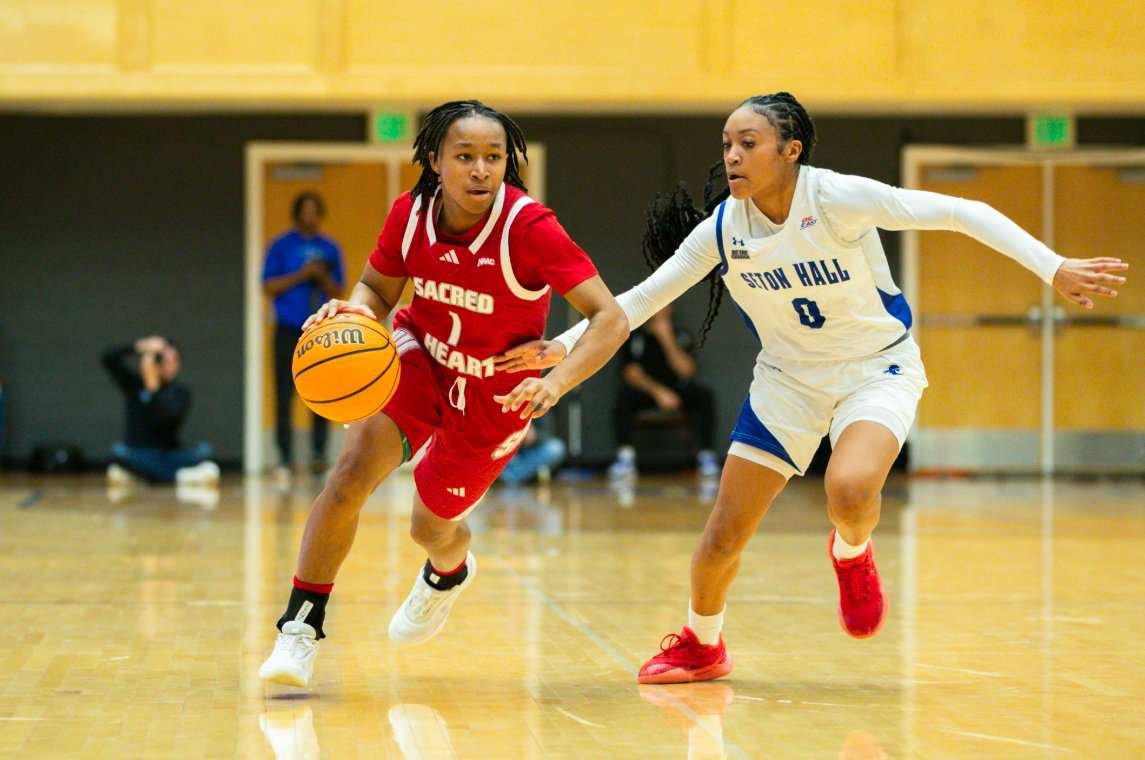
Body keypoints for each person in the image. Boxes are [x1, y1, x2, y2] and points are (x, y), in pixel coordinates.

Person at [495, 92, 1127, 684]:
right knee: (721, 538)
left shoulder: (836, 199)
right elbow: (639, 298)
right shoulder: (722, 229)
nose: (733, 157)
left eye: (748, 143)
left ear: (790, 149)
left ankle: (852, 552)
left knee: (849, 490)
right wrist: (566, 342)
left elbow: (961, 211)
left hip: (875, 368)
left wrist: (1055, 267)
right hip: (787, 382)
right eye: (726, 145)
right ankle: (703, 642)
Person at [259, 100, 628, 687]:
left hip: (495, 391)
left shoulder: (530, 228)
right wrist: (353, 314)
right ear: (435, 161)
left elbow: (609, 317)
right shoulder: (411, 213)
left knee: (429, 528)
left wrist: (556, 379)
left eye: (493, 157)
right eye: (465, 156)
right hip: (419, 356)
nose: (482, 169)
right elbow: (378, 288)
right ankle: (299, 629)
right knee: (352, 472)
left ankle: (448, 569)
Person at [262, 191, 345, 478]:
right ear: (297, 213)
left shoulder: (330, 248)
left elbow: (339, 290)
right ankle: (285, 458)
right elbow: (268, 285)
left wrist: (320, 276)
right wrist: (301, 274)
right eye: (304, 209)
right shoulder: (282, 246)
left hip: (320, 331)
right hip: (286, 328)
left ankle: (319, 456)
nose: (309, 214)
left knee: (321, 395)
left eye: (314, 209)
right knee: (284, 394)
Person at [608, 303, 719, 480]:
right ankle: (625, 456)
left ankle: (706, 455)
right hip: (648, 391)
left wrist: (666, 337)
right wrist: (658, 392)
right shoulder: (635, 337)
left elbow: (687, 371)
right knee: (624, 396)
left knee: (704, 395)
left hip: (677, 391)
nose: (662, 310)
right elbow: (631, 373)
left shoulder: (681, 335)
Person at [101, 336, 218, 485]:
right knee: (118, 452)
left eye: (174, 360)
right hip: (138, 451)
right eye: (164, 360)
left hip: (166, 453)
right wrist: (140, 346)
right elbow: (107, 357)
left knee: (204, 451)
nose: (169, 365)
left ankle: (143, 474)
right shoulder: (134, 384)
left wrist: (153, 390)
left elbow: (164, 419)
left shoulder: (181, 393)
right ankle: (178, 476)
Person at [497, 412, 566, 486]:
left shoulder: (537, 404)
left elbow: (548, 433)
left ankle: (507, 477)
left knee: (555, 448)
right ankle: (509, 477)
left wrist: (534, 436)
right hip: (502, 452)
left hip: (527, 452)